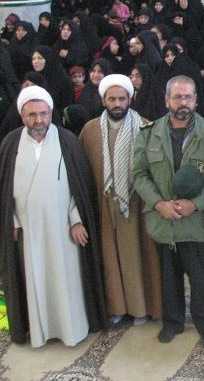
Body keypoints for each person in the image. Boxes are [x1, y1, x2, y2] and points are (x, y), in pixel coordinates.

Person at [0, 86, 107, 346]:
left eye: (43, 114)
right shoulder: (11, 143)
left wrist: (76, 220)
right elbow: (4, 189)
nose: (39, 120)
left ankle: (71, 330)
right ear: (22, 116)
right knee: (34, 279)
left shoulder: (67, 140)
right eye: (32, 115)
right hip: (28, 231)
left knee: (64, 280)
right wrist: (11, 221)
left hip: (63, 230)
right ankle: (40, 332)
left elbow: (79, 187)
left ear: (50, 113)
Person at [132, 75, 204, 348]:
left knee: (201, 278)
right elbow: (139, 175)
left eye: (188, 97)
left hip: (195, 222)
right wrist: (158, 204)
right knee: (168, 278)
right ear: (167, 100)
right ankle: (172, 323)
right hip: (162, 221)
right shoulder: (149, 133)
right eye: (177, 97)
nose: (183, 102)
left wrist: (195, 204)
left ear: (196, 100)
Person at [79, 75, 162, 326]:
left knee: (137, 256)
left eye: (122, 98)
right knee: (109, 258)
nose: (117, 104)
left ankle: (140, 308)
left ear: (130, 99)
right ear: (103, 100)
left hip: (137, 205)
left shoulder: (146, 127)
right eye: (112, 99)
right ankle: (116, 307)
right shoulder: (90, 130)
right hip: (104, 204)